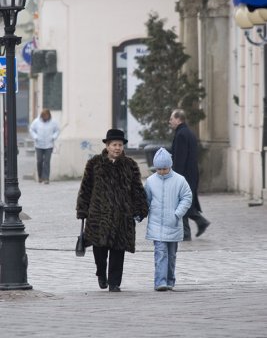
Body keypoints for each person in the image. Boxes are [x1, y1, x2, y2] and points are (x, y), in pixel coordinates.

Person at [76, 128, 148, 292]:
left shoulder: (130, 165)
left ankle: (114, 283)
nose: (117, 148)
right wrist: (82, 210)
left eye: (120, 145)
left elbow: (137, 189)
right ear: (107, 146)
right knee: (99, 249)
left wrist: (140, 208)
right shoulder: (94, 163)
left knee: (118, 250)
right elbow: (86, 188)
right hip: (98, 214)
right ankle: (101, 273)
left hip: (122, 215)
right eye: (114, 144)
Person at [145, 147, 192, 291]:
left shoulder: (180, 180)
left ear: (170, 166)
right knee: (160, 254)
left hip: (173, 224)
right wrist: (141, 214)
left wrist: (177, 214)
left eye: (164, 169)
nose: (161, 172)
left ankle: (170, 279)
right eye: (158, 169)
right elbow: (146, 200)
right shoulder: (150, 181)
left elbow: (187, 198)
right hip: (156, 224)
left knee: (171, 256)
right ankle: (160, 281)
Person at [169, 109, 210, 241]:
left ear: (178, 119)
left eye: (171, 119)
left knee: (182, 202)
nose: (170, 122)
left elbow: (180, 159)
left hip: (184, 175)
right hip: (191, 174)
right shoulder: (189, 133)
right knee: (185, 202)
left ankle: (189, 231)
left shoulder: (181, 134)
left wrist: (174, 176)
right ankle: (198, 224)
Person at [29, 108, 59, 184]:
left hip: (49, 145)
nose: (46, 117)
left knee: (47, 161)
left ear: (49, 115)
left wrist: (53, 137)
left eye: (47, 116)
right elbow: (31, 129)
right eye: (44, 116)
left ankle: (46, 178)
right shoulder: (36, 122)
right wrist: (35, 137)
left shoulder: (53, 122)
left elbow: (57, 130)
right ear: (42, 116)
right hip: (39, 145)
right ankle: (40, 177)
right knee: (39, 161)